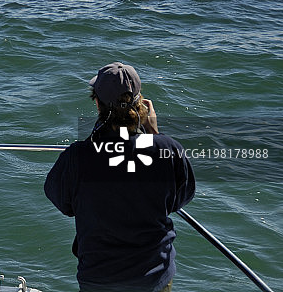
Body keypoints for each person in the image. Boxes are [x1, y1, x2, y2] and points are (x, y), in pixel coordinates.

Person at [44, 62, 195, 292]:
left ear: (97, 104)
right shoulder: (168, 150)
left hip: (99, 279)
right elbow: (179, 198)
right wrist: (153, 136)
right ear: (141, 104)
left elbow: (62, 201)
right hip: (153, 278)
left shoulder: (78, 156)